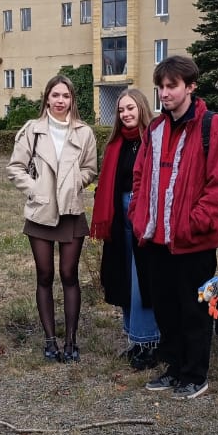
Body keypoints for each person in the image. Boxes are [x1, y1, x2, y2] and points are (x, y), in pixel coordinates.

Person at [129, 54, 218, 400]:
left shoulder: (212, 126)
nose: (164, 93)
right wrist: (139, 217)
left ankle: (195, 374)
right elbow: (141, 176)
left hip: (193, 243)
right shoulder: (155, 129)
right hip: (156, 240)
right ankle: (174, 366)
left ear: (191, 86)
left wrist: (194, 224)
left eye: (172, 86)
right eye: (160, 86)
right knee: (166, 309)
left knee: (196, 310)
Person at [7, 74, 98, 362]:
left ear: (72, 99)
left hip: (71, 210)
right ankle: (50, 340)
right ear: (47, 98)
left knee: (70, 275)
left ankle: (71, 340)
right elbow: (15, 168)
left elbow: (90, 169)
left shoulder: (84, 132)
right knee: (44, 275)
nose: (61, 101)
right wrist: (35, 189)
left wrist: (72, 184)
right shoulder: (32, 130)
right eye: (56, 95)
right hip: (41, 211)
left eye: (66, 96)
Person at [91, 87, 160, 370]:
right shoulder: (115, 144)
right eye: (121, 110)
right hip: (119, 219)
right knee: (125, 279)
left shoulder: (154, 141)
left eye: (130, 108)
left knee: (142, 280)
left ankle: (150, 342)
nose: (126, 114)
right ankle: (134, 338)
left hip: (144, 217)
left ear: (142, 108)